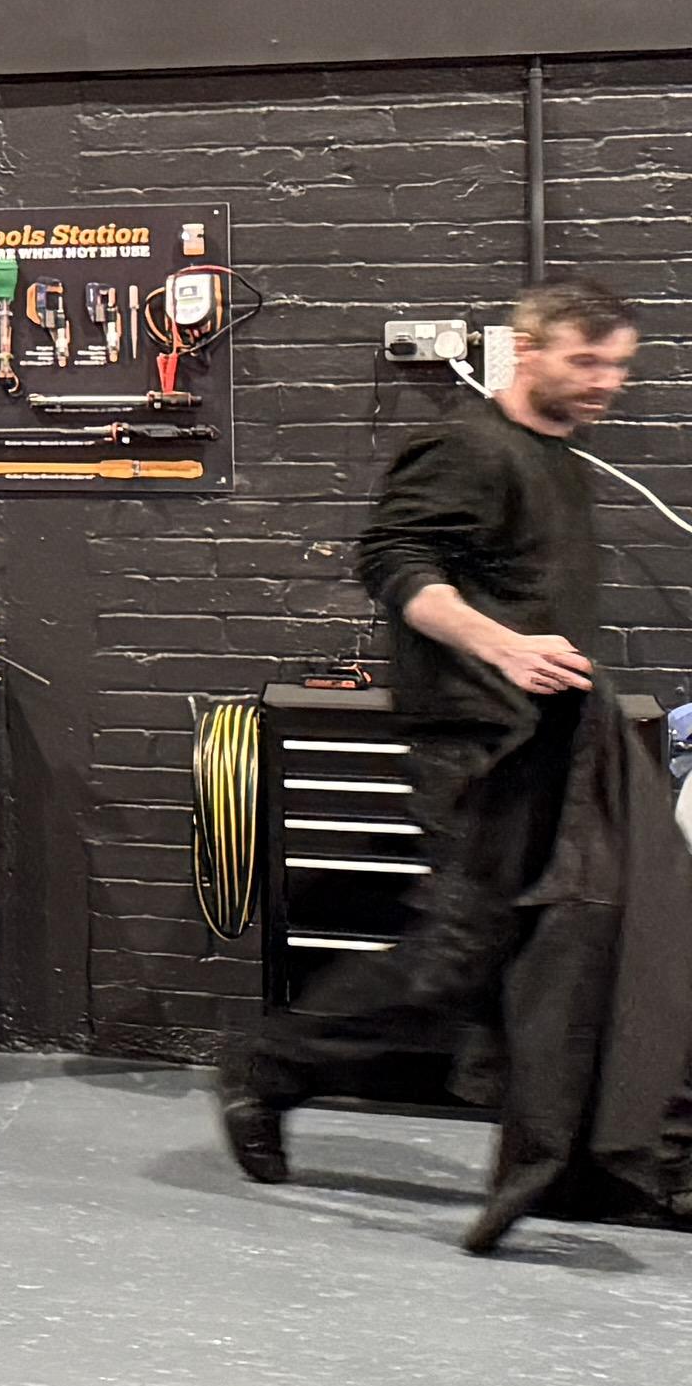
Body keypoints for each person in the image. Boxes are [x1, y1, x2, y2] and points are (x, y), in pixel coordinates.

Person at [225, 273, 639, 1233]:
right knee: (452, 962)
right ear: (525, 349)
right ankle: (269, 1067)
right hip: (475, 744)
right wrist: (502, 647)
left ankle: (540, 1155)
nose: (605, 381)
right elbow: (393, 562)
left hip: (545, 743)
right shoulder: (468, 446)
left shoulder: (560, 459)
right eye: (586, 360)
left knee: (535, 953)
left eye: (618, 365)